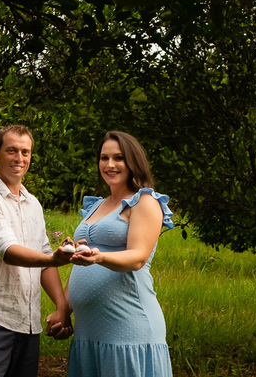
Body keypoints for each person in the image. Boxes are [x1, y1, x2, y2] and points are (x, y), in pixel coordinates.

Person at [56, 131, 174, 377]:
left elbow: (138, 257)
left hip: (127, 328)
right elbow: (81, 264)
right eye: (104, 158)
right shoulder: (96, 205)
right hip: (89, 333)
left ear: (133, 162)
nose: (110, 165)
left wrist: (99, 258)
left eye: (118, 158)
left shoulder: (145, 202)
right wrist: (64, 309)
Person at [0, 124, 74, 377]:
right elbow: (8, 250)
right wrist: (54, 258)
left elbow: (45, 262)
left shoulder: (33, 203)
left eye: (26, 152)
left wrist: (61, 307)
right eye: (12, 150)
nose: (19, 158)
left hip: (28, 324)